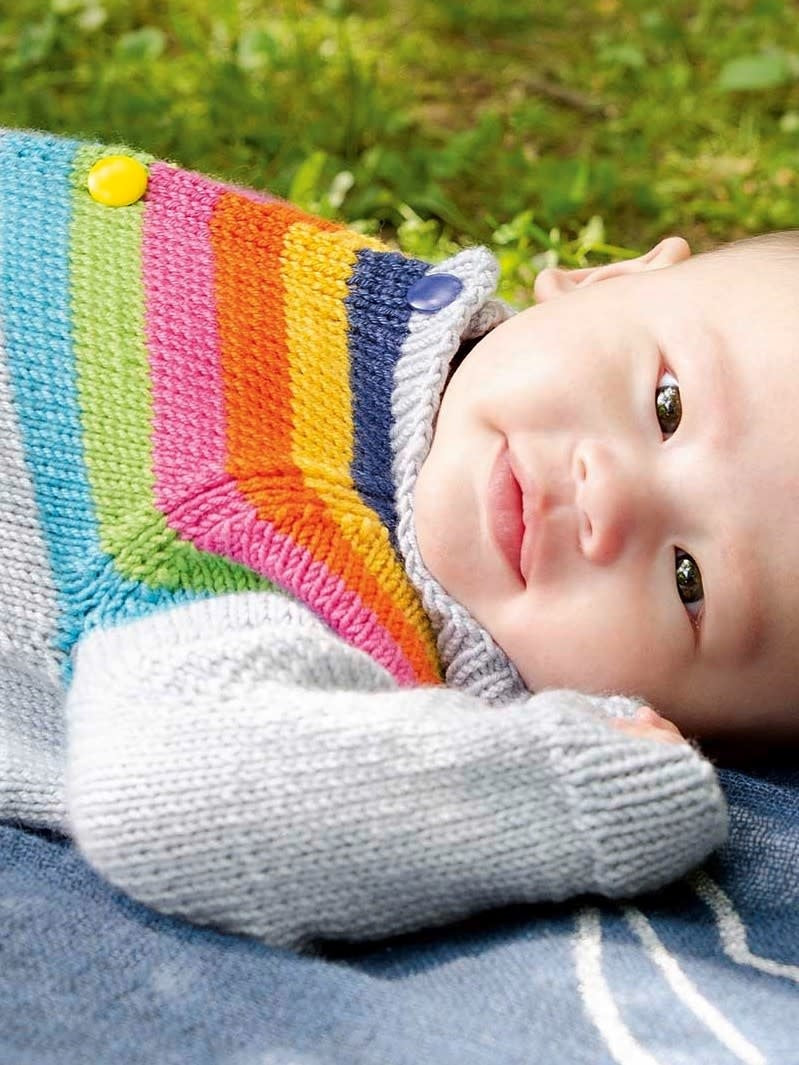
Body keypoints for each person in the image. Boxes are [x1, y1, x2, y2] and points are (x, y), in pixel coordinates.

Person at [0, 129, 731, 953]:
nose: (609, 497)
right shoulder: (380, 321)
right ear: (608, 280)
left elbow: (182, 785)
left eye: (688, 579)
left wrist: (571, 782)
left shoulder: (312, 562)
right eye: (667, 405)